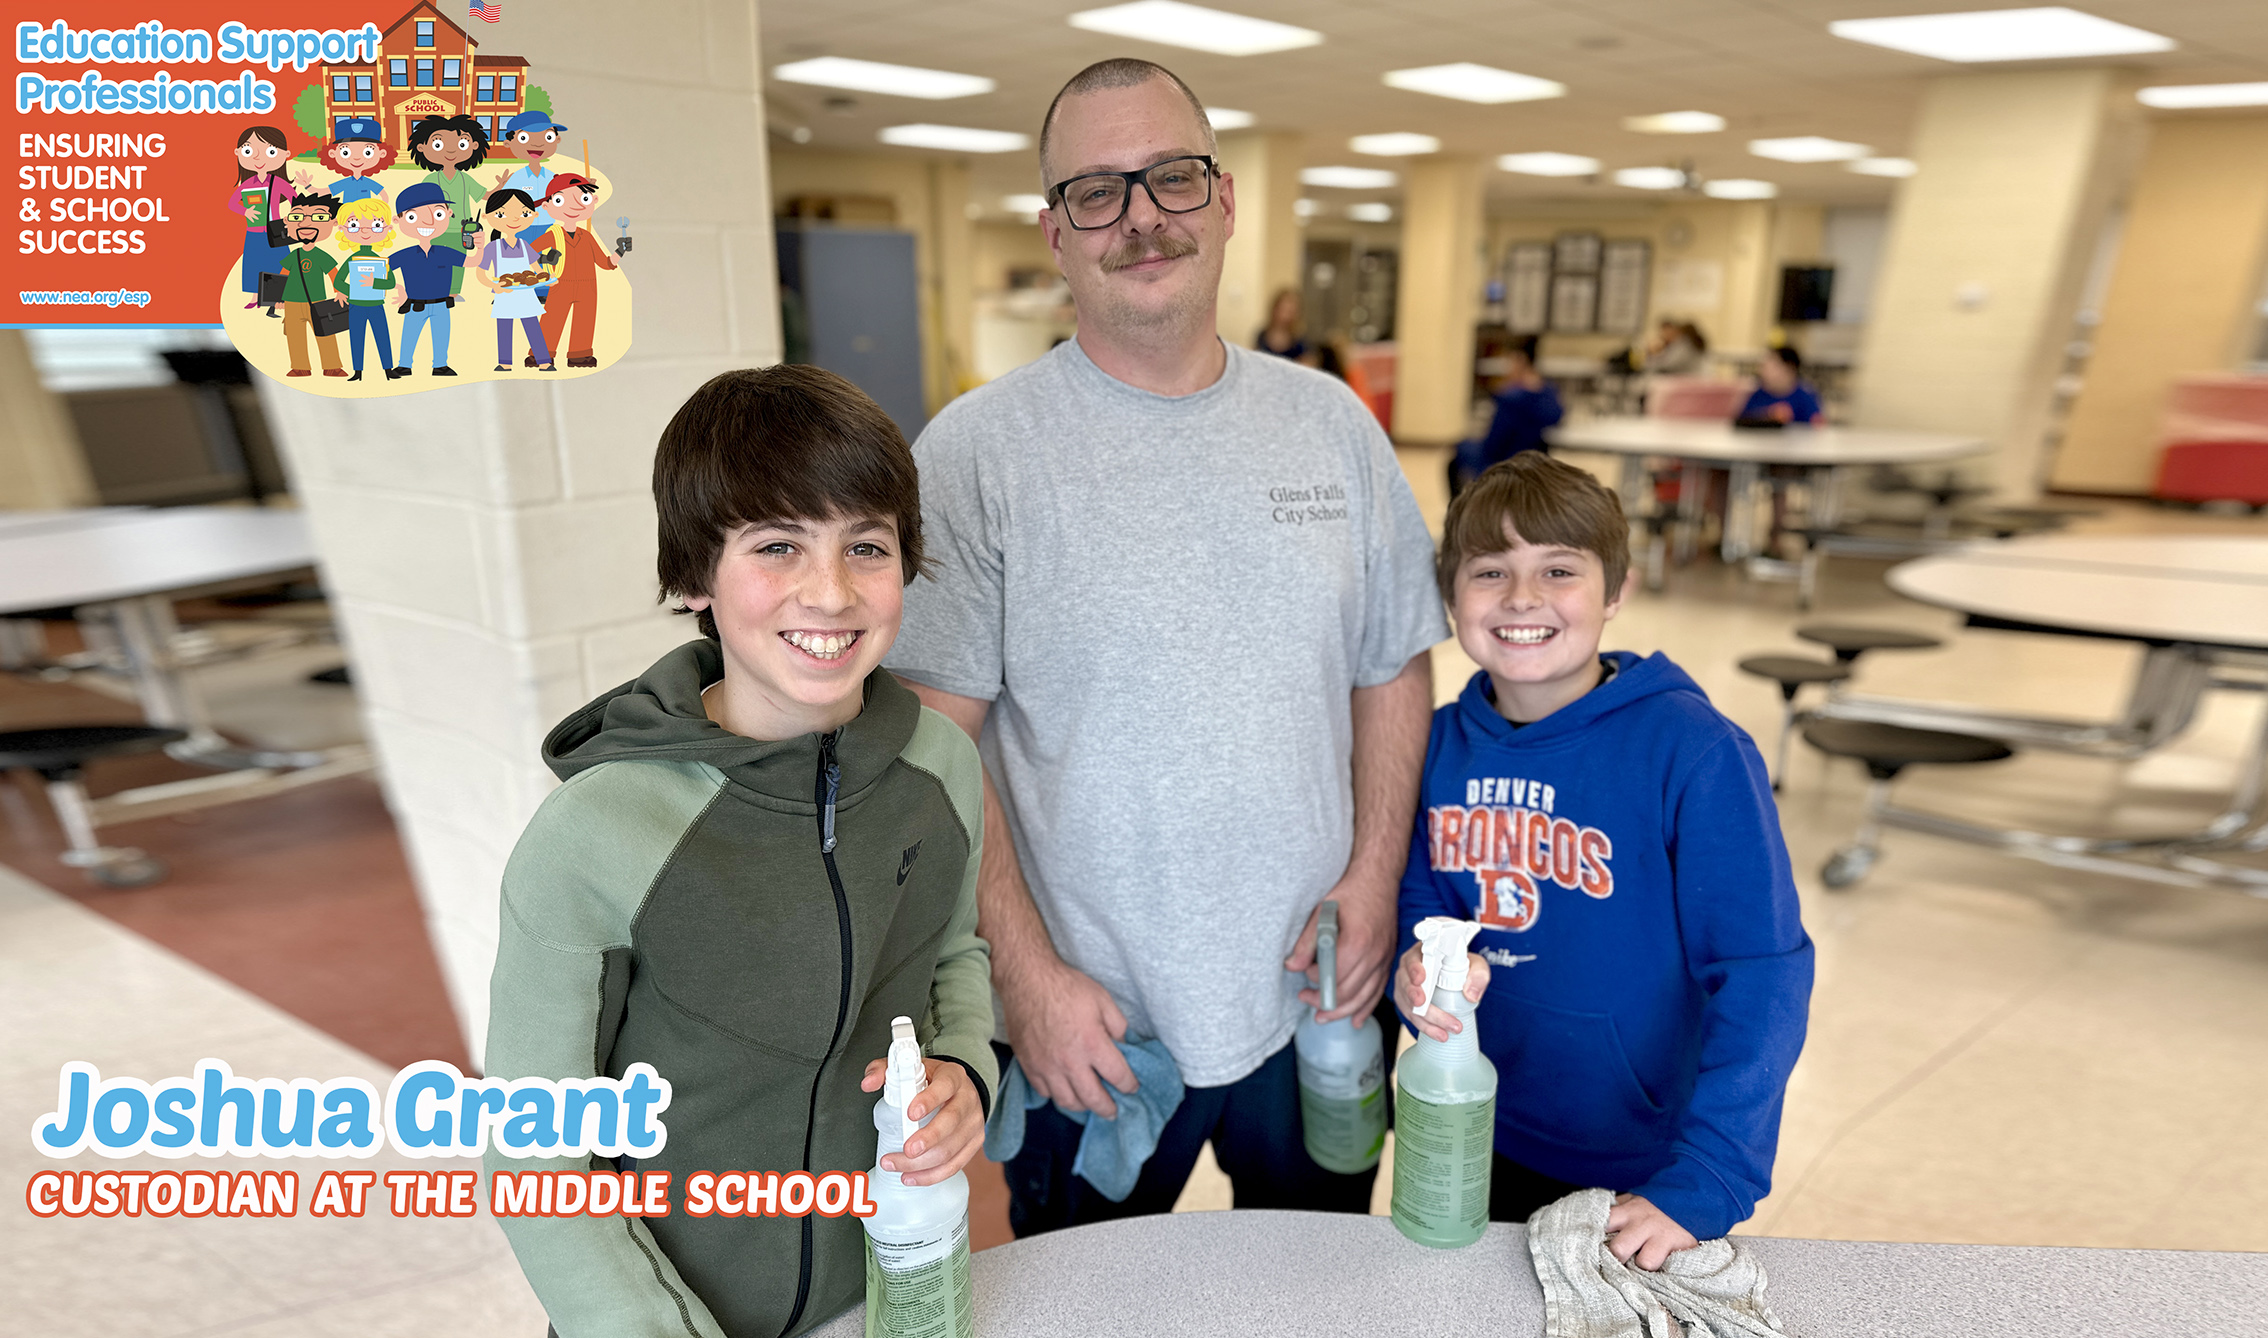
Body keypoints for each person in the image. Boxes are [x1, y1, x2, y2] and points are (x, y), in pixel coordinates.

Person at [884, 57, 1445, 1236]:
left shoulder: (1332, 426)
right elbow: (935, 750)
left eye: (1172, 178)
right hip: (1096, 1023)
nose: (1142, 216)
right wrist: (1026, 982)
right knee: (1089, 1305)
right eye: (1098, 191)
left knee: (1317, 1294)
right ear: (1054, 232)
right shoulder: (978, 453)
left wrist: (1375, 880)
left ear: (1226, 200)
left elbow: (1391, 664)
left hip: (1315, 1000)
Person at [484, 364, 997, 1338]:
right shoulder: (596, 831)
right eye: (776, 546)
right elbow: (532, 1153)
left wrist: (966, 1069)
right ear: (691, 579)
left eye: (868, 546)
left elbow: (957, 955)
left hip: (888, 1299)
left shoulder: (942, 766)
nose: (832, 592)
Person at [1396, 451, 1813, 1269]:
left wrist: (1709, 1175)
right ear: (1451, 599)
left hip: (1643, 1165)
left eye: (1559, 569)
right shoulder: (1440, 743)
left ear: (1615, 592)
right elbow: (1422, 905)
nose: (1522, 598)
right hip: (1473, 1126)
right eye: (1489, 572)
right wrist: (1415, 973)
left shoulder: (1694, 752)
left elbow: (1763, 972)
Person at [1451, 336, 1562, 496]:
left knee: (1459, 451)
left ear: (1520, 362)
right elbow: (1556, 418)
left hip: (1504, 459)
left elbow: (1493, 444)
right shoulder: (1548, 394)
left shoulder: (1510, 399)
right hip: (1535, 460)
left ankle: (1459, 510)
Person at [532, 172, 621, 368]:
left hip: (588, 286)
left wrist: (620, 251)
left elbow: (605, 263)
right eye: (561, 199)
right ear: (547, 206)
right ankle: (541, 354)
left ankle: (579, 355)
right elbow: (529, 252)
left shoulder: (587, 237)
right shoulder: (553, 235)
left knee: (585, 321)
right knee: (552, 320)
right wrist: (543, 267)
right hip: (560, 283)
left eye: (583, 198)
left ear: (593, 201)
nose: (575, 205)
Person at [471, 188, 555, 372]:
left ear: (533, 215)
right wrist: (495, 286)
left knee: (533, 328)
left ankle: (544, 361)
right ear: (487, 217)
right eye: (502, 214)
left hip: (526, 294)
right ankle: (504, 363)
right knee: (504, 330)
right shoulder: (493, 247)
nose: (515, 219)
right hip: (504, 294)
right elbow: (481, 274)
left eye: (523, 213)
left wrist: (548, 280)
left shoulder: (525, 246)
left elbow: (538, 271)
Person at [407, 113, 491, 295]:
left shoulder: (465, 179)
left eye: (462, 144)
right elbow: (421, 205)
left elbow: (483, 195)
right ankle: (436, 289)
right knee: (433, 260)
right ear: (422, 148)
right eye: (438, 144)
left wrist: (501, 189)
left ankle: (453, 292)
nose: (451, 151)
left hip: (462, 230)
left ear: (474, 146)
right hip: (435, 229)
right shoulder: (431, 178)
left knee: (459, 261)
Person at [386, 182, 463, 377]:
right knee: (409, 335)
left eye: (438, 214)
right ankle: (405, 365)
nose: (428, 223)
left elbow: (471, 261)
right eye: (413, 217)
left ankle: (440, 365)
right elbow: (384, 268)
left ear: (448, 213)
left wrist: (478, 245)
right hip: (415, 305)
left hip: (441, 304)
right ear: (398, 220)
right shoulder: (405, 254)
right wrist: (398, 287)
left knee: (441, 336)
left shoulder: (446, 252)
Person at [229, 124, 305, 314]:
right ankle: (255, 297)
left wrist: (292, 219)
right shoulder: (247, 184)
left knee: (278, 265)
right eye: (249, 150)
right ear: (238, 152)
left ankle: (276, 299)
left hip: (275, 231)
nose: (257, 157)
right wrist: (245, 212)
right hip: (253, 232)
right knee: (253, 264)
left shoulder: (278, 182)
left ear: (285, 154)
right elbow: (232, 203)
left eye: (270, 151)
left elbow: (296, 201)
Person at [327, 194, 401, 382]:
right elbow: (338, 281)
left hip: (376, 304)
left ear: (387, 229)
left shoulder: (381, 260)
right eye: (355, 225)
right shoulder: (352, 259)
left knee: (382, 337)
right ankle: (358, 371)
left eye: (375, 225)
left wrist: (373, 283)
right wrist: (353, 291)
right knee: (357, 338)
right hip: (356, 305)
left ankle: (388, 369)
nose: (366, 231)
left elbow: (390, 283)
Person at [274, 193, 346, 378]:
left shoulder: (321, 254)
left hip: (317, 301)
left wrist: (339, 292)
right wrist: (279, 298)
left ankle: (332, 366)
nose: (306, 224)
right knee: (294, 336)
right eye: (297, 217)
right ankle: (300, 367)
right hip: (291, 302)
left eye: (318, 217)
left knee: (325, 334)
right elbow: (284, 275)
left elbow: (333, 274)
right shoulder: (294, 254)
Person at [1737, 345, 1824, 425]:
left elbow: (1816, 424)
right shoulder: (1758, 394)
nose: (1762, 371)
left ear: (1789, 368)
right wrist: (1767, 414)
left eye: (1772, 366)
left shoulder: (1805, 396)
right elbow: (1741, 419)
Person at [323, 115, 391, 205]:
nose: (356, 158)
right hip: (347, 215)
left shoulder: (367, 182)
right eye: (345, 152)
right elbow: (325, 192)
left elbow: (384, 196)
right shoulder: (346, 183)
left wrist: (378, 211)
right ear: (333, 153)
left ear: (381, 153)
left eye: (368, 152)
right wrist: (308, 186)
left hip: (365, 215)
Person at [1255, 286, 1309, 362]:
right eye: (1283, 309)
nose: (1286, 316)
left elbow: (1306, 366)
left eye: (1290, 312)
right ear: (1275, 309)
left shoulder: (1300, 341)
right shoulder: (1262, 335)